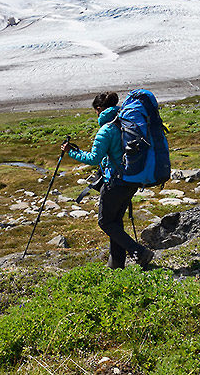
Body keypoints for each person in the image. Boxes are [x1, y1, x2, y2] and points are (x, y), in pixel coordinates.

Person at [66, 91, 154, 269]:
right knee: (116, 223)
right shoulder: (125, 122)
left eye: (96, 112)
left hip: (115, 183)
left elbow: (93, 159)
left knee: (105, 222)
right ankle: (116, 265)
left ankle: (139, 251)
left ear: (99, 109)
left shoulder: (106, 129)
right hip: (132, 181)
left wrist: (71, 152)